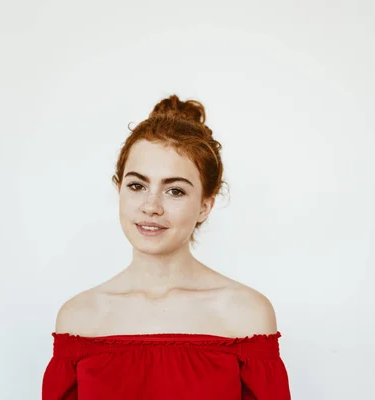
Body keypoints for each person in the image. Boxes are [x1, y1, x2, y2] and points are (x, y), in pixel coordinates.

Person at [41, 94, 291, 399]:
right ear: (119, 190)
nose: (151, 206)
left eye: (174, 191)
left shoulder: (245, 315)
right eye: (137, 186)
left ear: (205, 206)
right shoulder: (80, 318)